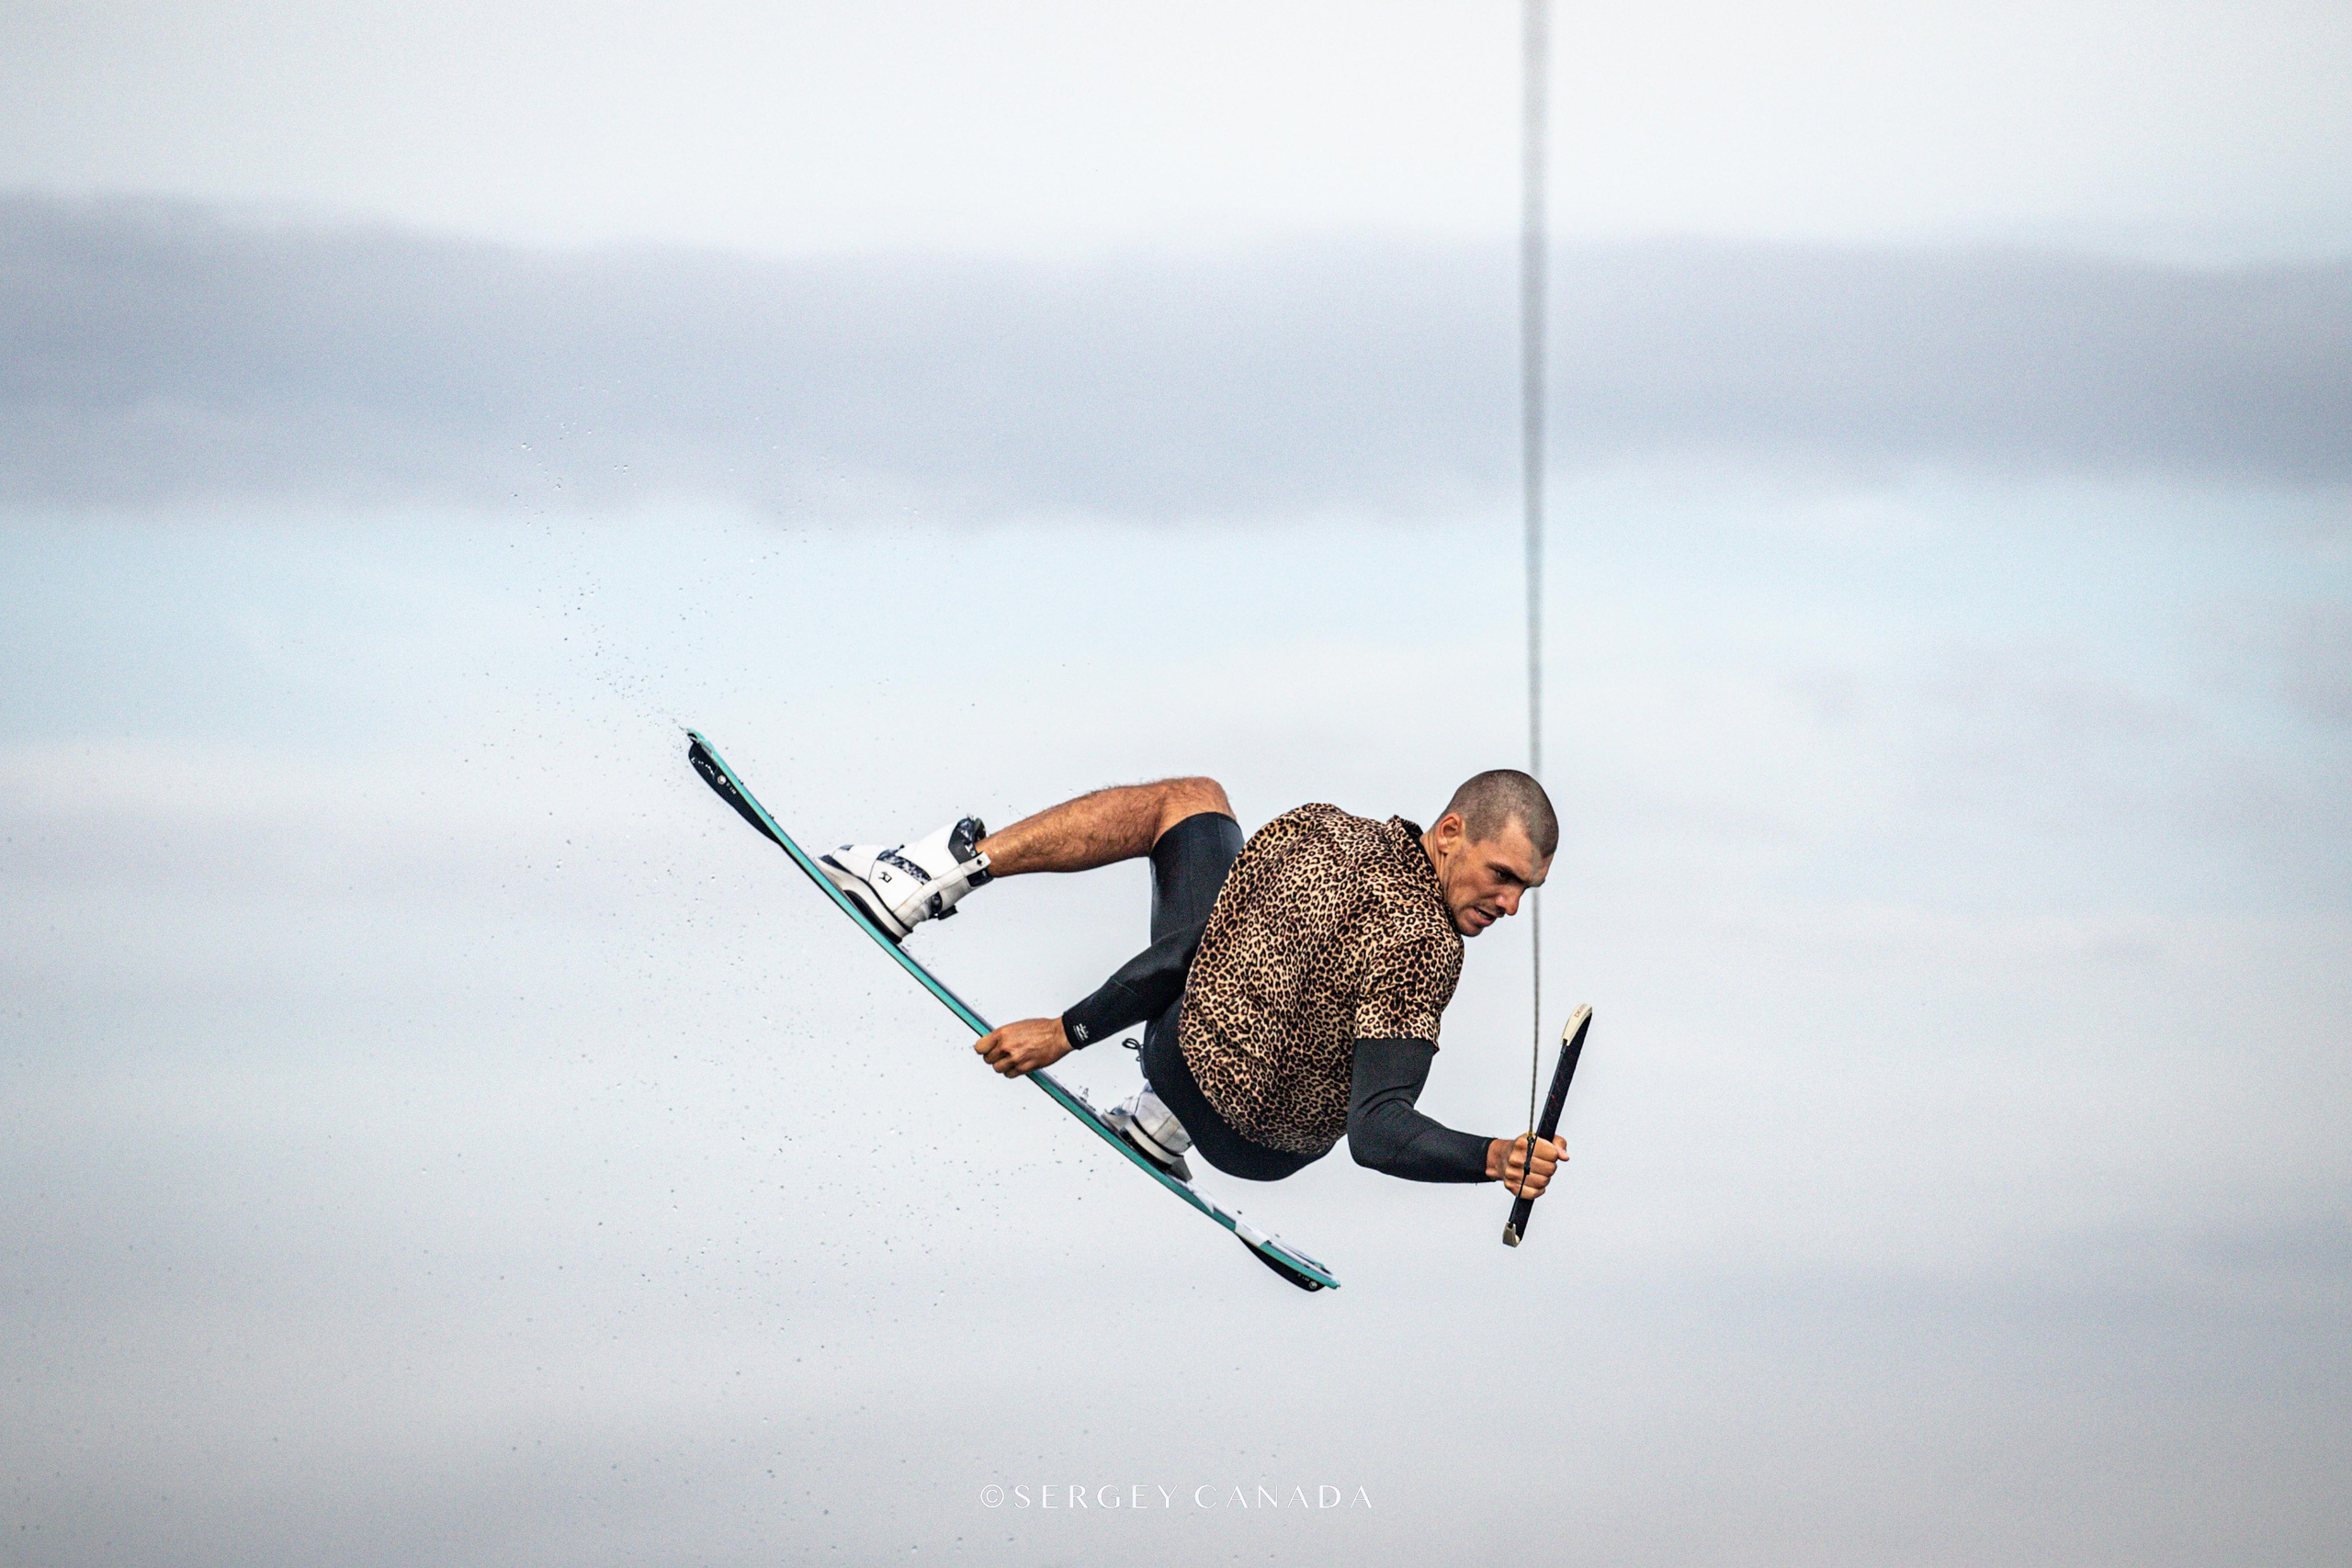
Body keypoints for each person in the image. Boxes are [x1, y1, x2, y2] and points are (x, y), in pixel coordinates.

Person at [817, 772, 1566, 1200]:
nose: (1510, 906)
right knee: (1244, 973)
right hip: (1265, 1155)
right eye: (1504, 877)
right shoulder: (1427, 949)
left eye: (1526, 890)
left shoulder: (1322, 833)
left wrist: (1066, 1030)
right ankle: (1159, 1123)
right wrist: (1491, 1154)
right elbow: (1376, 1130)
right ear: (1448, 834)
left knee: (1190, 800)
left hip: (1185, 1062)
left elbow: (1191, 954)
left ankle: (926, 878)